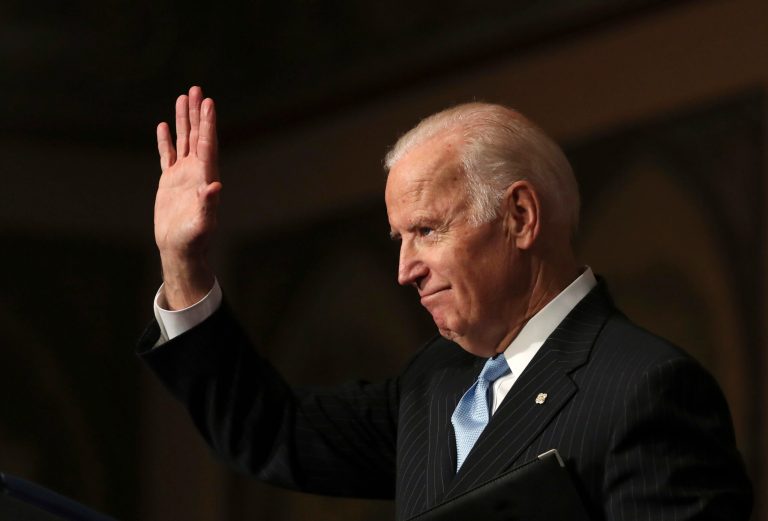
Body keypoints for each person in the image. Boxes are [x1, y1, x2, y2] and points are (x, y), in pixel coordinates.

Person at [138, 86, 752, 520]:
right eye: (399, 239)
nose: (404, 270)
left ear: (520, 216)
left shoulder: (645, 390)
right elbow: (273, 432)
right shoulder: (434, 383)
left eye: (428, 230)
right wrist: (183, 264)